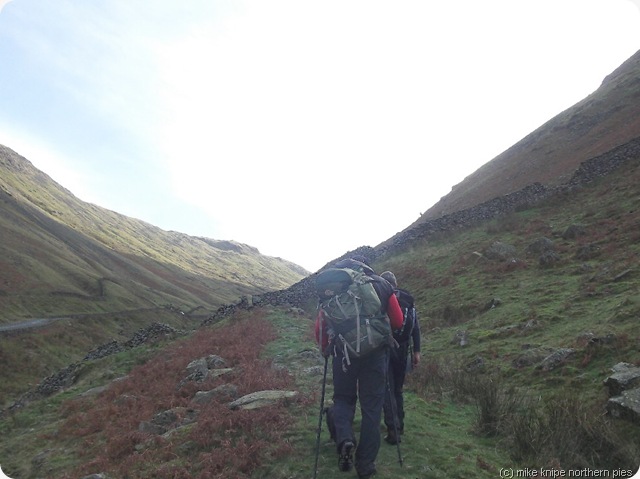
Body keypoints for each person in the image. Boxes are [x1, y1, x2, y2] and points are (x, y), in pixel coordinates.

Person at [315, 257, 404, 479]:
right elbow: (398, 321)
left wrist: (326, 348)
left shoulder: (334, 288)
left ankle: (345, 439)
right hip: (375, 355)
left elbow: (321, 326)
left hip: (343, 355)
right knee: (372, 409)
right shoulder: (381, 285)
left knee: (343, 399)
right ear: (365, 270)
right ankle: (365, 465)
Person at [379, 270, 421, 446]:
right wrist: (417, 351)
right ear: (395, 283)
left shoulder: (383, 298)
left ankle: (393, 430)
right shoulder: (408, 300)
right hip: (404, 348)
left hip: (387, 347)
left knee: (387, 388)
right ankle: (400, 424)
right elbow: (416, 328)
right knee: (397, 389)